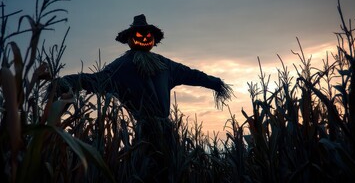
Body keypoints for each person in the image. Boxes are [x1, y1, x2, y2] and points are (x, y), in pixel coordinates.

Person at [55, 14, 233, 181]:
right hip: (145, 130)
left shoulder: (164, 64)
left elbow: (192, 74)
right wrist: (64, 82)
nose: (145, 37)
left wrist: (215, 83)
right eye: (140, 34)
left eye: (148, 34)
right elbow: (95, 80)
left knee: (168, 168)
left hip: (165, 130)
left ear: (154, 39)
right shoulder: (123, 66)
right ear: (130, 38)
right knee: (150, 169)